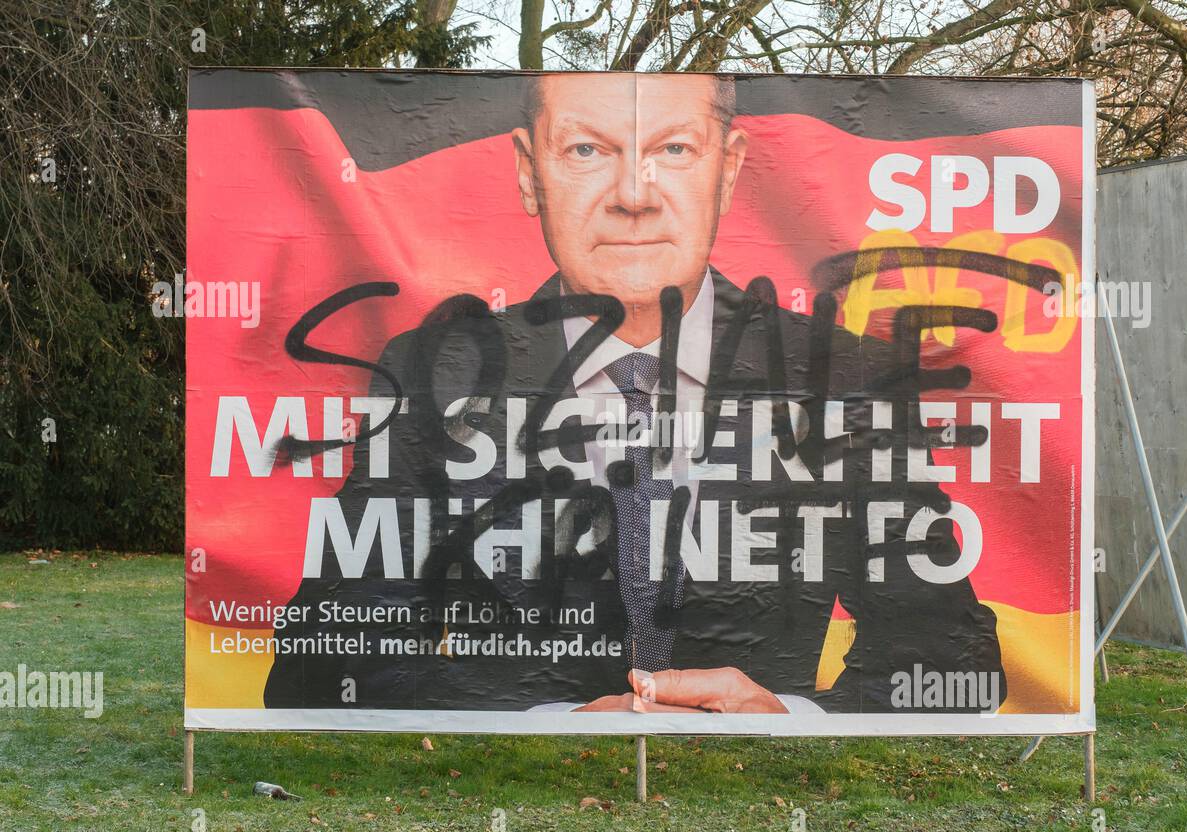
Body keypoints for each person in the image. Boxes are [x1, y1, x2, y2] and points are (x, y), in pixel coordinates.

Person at [263, 72, 1004, 715]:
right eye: (587, 150)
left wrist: (788, 718)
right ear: (529, 172)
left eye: (673, 150)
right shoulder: (437, 371)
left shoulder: (846, 379)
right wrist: (546, 722)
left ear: (730, 168)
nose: (633, 197)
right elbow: (321, 665)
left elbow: (956, 663)